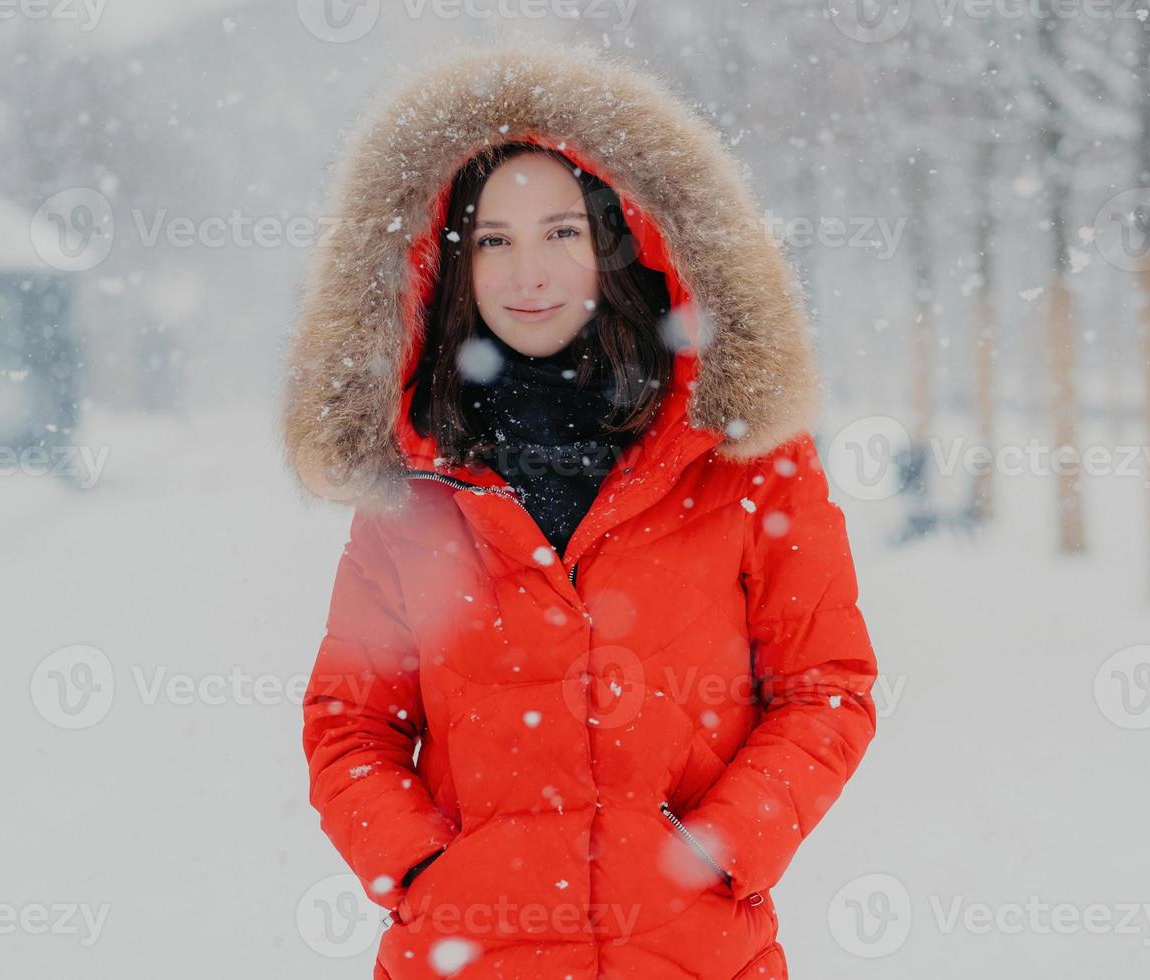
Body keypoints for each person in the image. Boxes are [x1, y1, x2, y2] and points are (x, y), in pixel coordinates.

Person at [282, 43, 880, 980]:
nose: (530, 272)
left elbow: (825, 687)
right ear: (451, 263)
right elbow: (349, 722)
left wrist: (719, 850)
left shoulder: (742, 459)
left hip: (693, 957)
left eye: (561, 232)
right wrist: (421, 866)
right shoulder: (418, 487)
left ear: (621, 239)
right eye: (493, 239)